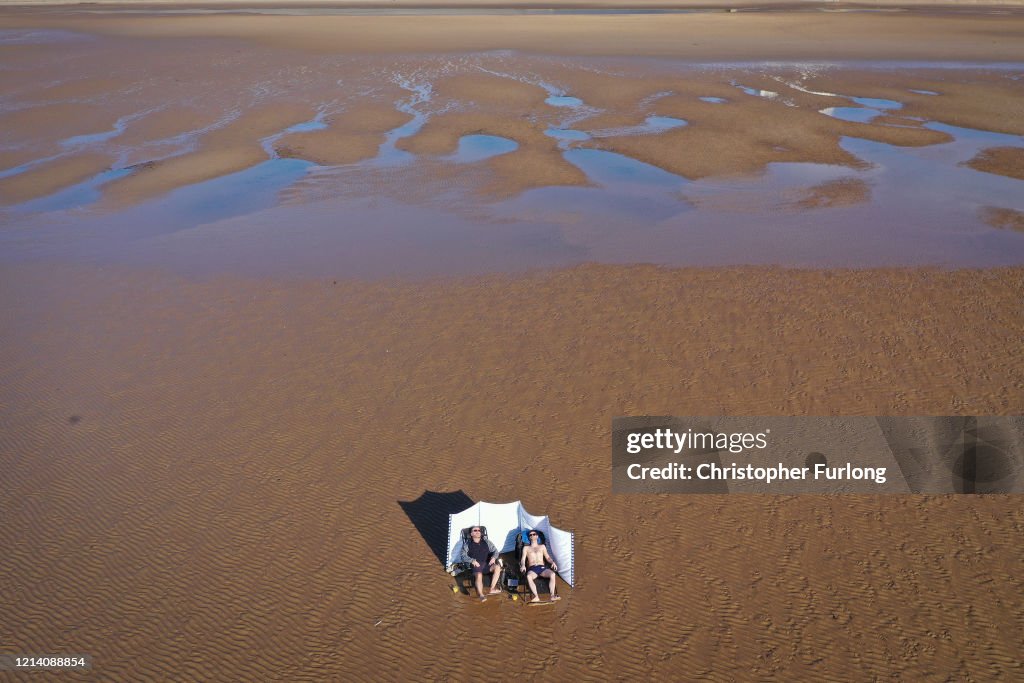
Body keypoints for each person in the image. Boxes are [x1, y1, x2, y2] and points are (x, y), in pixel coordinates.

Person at [459, 526, 502, 601]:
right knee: (479, 575)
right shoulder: (467, 544)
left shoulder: (486, 541)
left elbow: (495, 551)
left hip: (487, 564)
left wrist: (494, 557)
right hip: (476, 565)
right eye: (475, 530)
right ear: (471, 534)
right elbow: (463, 556)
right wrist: (472, 560)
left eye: (479, 530)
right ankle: (481, 595)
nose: (478, 531)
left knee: (497, 567)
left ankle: (492, 589)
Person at [520, 530, 560, 602]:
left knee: (553, 574)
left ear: (537, 536)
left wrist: (552, 562)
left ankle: (552, 596)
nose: (532, 535)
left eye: (534, 534)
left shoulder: (542, 546)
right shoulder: (526, 548)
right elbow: (523, 559)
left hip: (542, 568)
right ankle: (536, 596)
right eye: (530, 535)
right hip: (532, 569)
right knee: (528, 576)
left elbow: (547, 557)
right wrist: (523, 565)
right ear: (529, 538)